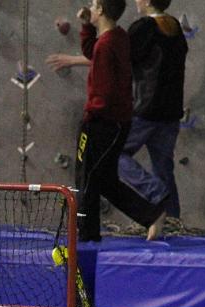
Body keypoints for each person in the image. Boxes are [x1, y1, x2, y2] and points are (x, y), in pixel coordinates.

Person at [46, 0, 187, 239]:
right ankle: (170, 220)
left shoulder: (141, 28)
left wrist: (74, 61)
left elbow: (112, 60)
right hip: (170, 110)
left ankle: (155, 198)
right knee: (161, 167)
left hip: (142, 109)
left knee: (109, 164)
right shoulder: (172, 26)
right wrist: (87, 29)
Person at [68, 0, 167, 242]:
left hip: (103, 121)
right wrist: (86, 26)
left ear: (101, 10)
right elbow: (91, 52)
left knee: (86, 179)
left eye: (93, 5)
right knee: (104, 180)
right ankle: (150, 214)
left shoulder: (107, 44)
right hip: (116, 121)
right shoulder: (118, 36)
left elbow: (104, 90)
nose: (90, 8)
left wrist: (92, 115)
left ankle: (87, 234)